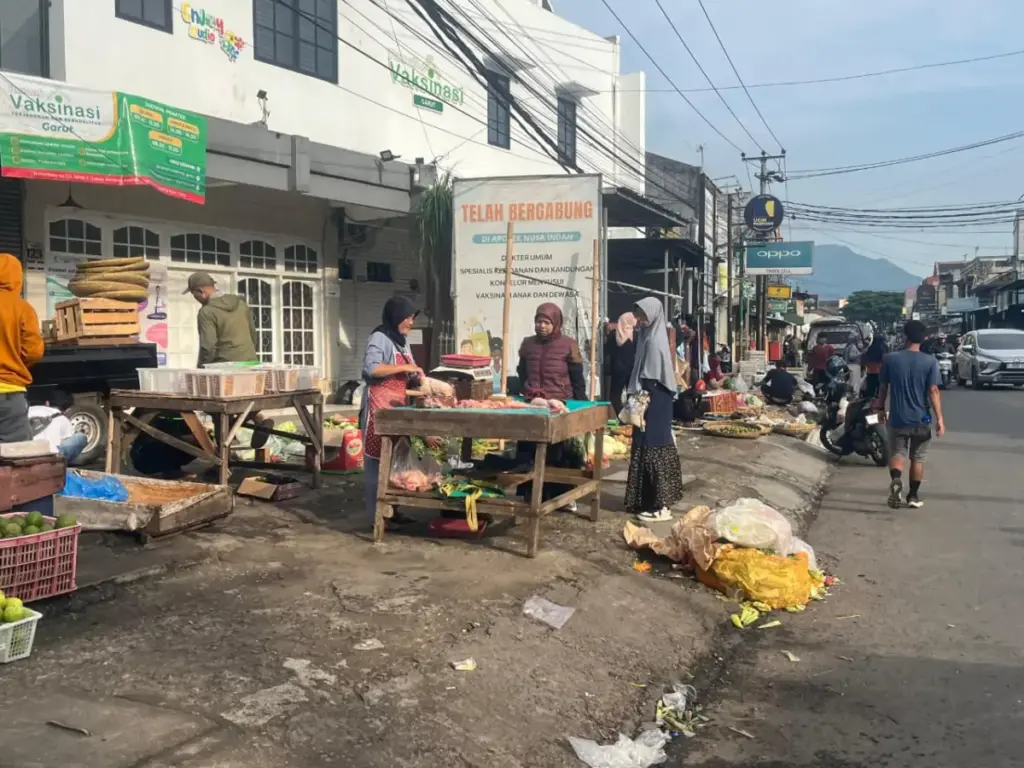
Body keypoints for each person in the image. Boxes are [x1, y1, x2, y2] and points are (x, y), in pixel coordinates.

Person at [185, 271, 273, 449]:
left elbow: (208, 346)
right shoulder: (240, 303)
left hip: (226, 368)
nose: (195, 298)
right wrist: (250, 358)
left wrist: (202, 370)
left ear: (201, 291)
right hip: (251, 363)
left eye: (194, 294)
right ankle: (258, 419)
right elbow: (253, 333)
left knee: (217, 411)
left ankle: (224, 457)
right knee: (247, 401)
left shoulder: (207, 312)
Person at [360, 296, 424, 525]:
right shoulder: (379, 337)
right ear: (396, 317)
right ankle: (376, 518)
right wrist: (404, 366)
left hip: (397, 407)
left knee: (396, 462)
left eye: (412, 318)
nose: (411, 323)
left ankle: (393, 511)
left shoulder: (401, 340)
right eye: (407, 318)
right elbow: (372, 368)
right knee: (376, 463)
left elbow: (410, 369)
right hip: (378, 409)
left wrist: (416, 376)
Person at [516, 303, 587, 511]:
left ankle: (562, 498)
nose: (542, 326)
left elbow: (577, 378)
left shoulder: (568, 345)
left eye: (546, 322)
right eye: (539, 321)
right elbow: (522, 371)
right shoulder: (528, 344)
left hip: (560, 405)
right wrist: (529, 392)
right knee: (530, 449)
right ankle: (531, 494)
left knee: (559, 453)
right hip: (534, 405)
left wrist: (580, 407)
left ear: (555, 323)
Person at [624, 297, 686, 523]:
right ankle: (647, 500)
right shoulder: (646, 337)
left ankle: (661, 506)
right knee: (645, 446)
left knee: (654, 448)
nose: (639, 320)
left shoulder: (653, 342)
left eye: (643, 315)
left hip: (655, 401)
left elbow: (650, 378)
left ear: (653, 315)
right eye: (638, 315)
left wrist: (639, 402)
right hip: (651, 400)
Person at [876, 319, 944, 510]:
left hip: (898, 418)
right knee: (918, 458)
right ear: (923, 339)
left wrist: (880, 408)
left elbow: (883, 387)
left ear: (905, 336)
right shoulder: (930, 361)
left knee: (897, 452)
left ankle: (896, 479)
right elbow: (933, 391)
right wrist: (939, 418)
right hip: (923, 418)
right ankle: (913, 496)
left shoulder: (890, 359)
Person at [0, 253, 44, 443]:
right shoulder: (22, 309)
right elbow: (34, 351)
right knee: (14, 458)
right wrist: (16, 362)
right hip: (10, 392)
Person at [605, 312, 637, 415]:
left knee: (614, 395)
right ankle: (629, 417)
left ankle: (620, 416)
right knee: (632, 395)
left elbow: (607, 351)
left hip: (617, 370)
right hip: (632, 370)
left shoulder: (613, 334)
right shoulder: (636, 335)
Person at [861, 334, 887, 399]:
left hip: (870, 371)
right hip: (879, 371)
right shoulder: (882, 348)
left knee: (871, 388)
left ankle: (869, 400)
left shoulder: (870, 348)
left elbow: (864, 359)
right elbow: (884, 359)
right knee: (879, 388)